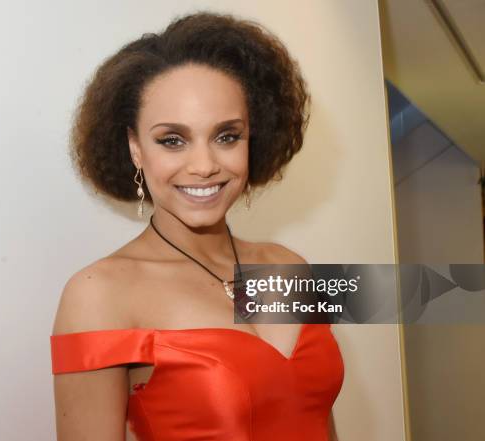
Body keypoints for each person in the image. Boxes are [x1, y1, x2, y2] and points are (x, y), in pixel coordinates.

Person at [50, 11, 344, 441]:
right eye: (173, 140)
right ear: (135, 148)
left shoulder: (291, 267)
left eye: (227, 136)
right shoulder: (98, 294)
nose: (205, 166)